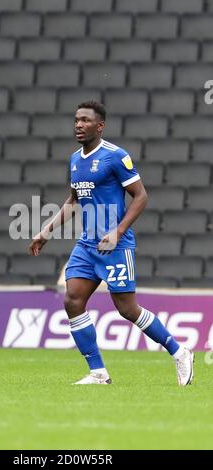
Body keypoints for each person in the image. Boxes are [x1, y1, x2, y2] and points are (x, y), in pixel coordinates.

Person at [29, 101, 194, 386]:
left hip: (115, 245)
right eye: (76, 120)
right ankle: (98, 373)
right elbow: (74, 200)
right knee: (73, 300)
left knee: (127, 309)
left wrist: (118, 231)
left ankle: (179, 352)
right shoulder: (75, 159)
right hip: (87, 244)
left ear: (99, 126)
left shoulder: (116, 156)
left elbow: (141, 196)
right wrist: (47, 230)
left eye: (85, 120)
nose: (78, 125)